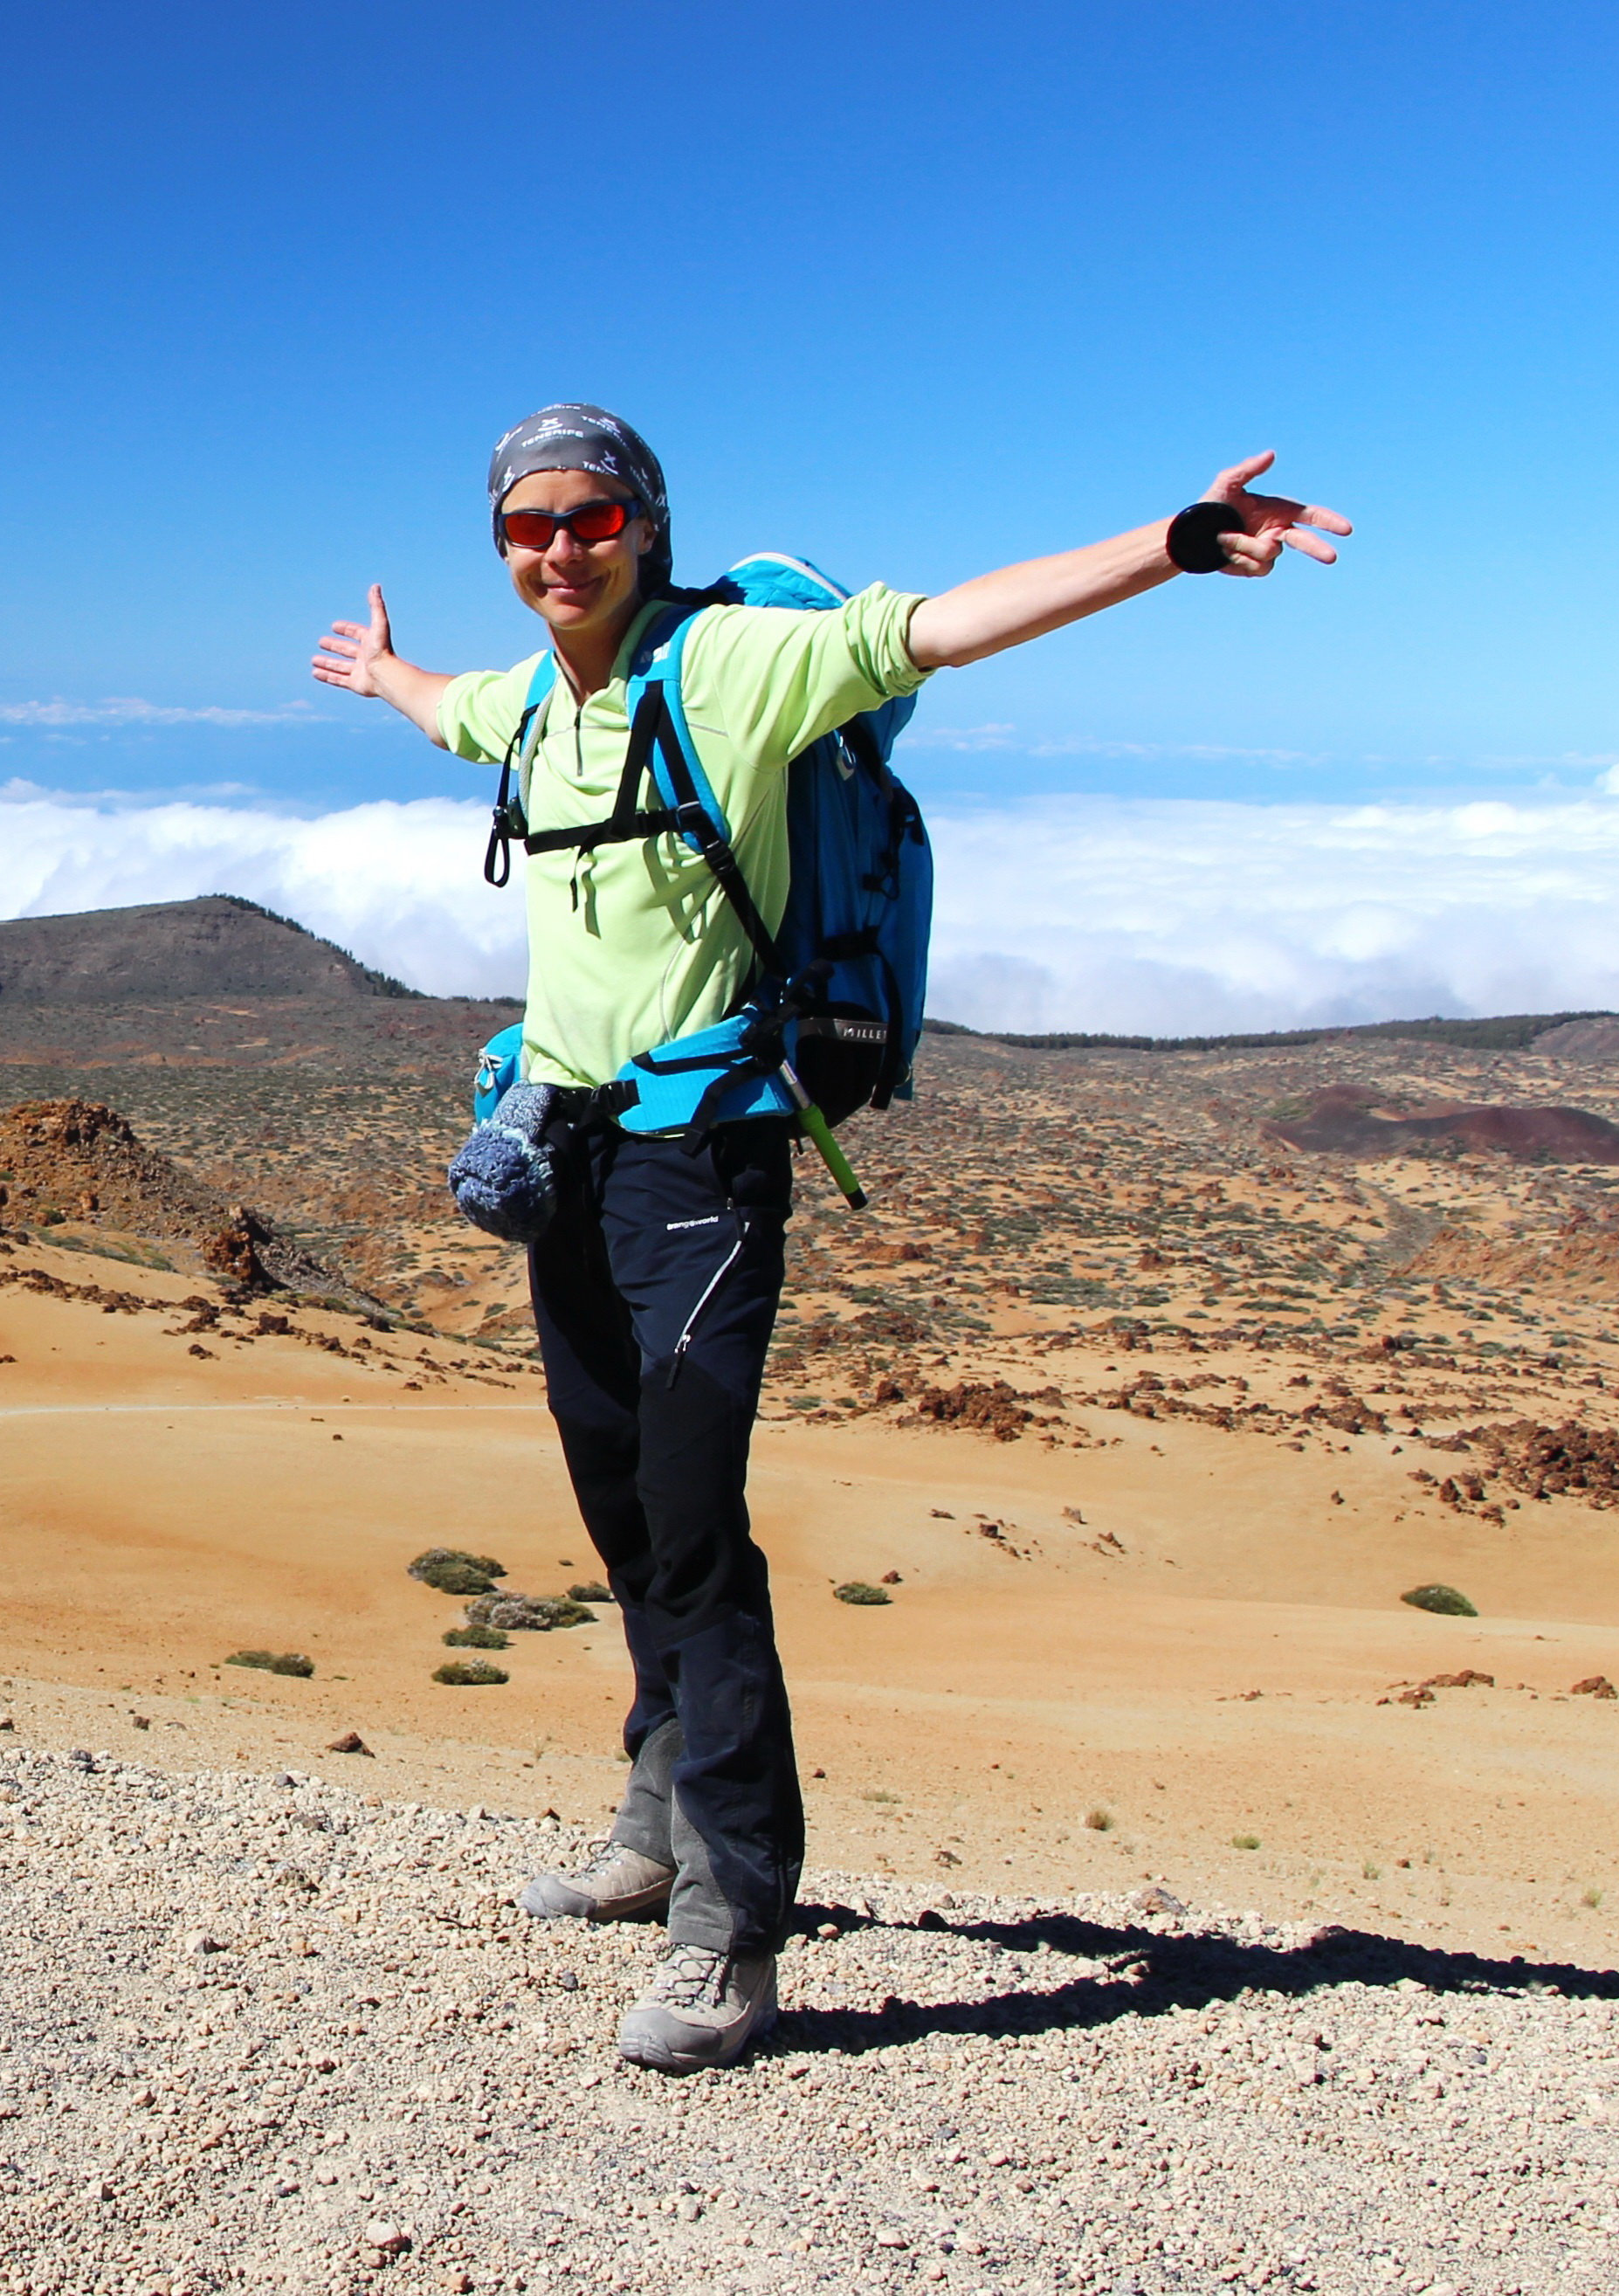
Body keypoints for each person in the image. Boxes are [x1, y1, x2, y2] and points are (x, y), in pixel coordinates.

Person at [309, 404, 1347, 2072]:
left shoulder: (736, 668)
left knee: (698, 1527)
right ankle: (653, 1816)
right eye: (526, 528)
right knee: (618, 1501)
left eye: (587, 519)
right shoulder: (528, 697)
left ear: (643, 524)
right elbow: (452, 712)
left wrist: (1167, 545)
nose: (557, 548)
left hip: (701, 1166)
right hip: (557, 1157)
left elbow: (940, 620)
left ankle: (733, 1925)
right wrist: (387, 670)